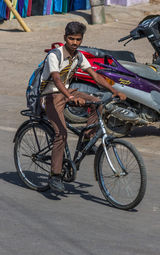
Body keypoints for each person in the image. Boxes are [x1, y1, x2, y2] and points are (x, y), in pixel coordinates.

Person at [40, 21, 126, 192]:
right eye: (71, 39)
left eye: (78, 39)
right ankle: (55, 176)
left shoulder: (79, 56)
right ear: (65, 37)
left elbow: (95, 75)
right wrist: (70, 96)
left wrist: (114, 90)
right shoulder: (54, 55)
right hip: (50, 96)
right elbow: (57, 79)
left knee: (96, 103)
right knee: (61, 134)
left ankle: (86, 138)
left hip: (67, 92)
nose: (74, 42)